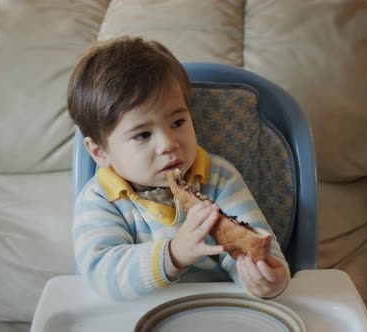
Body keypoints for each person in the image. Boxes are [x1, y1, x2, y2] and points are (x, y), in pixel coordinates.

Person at [67, 36, 290, 300]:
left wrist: (265, 277)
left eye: (177, 122)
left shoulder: (218, 178)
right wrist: (173, 254)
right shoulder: (100, 199)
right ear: (100, 152)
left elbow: (250, 246)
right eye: (142, 135)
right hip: (138, 312)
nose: (168, 144)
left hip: (216, 307)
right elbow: (102, 275)